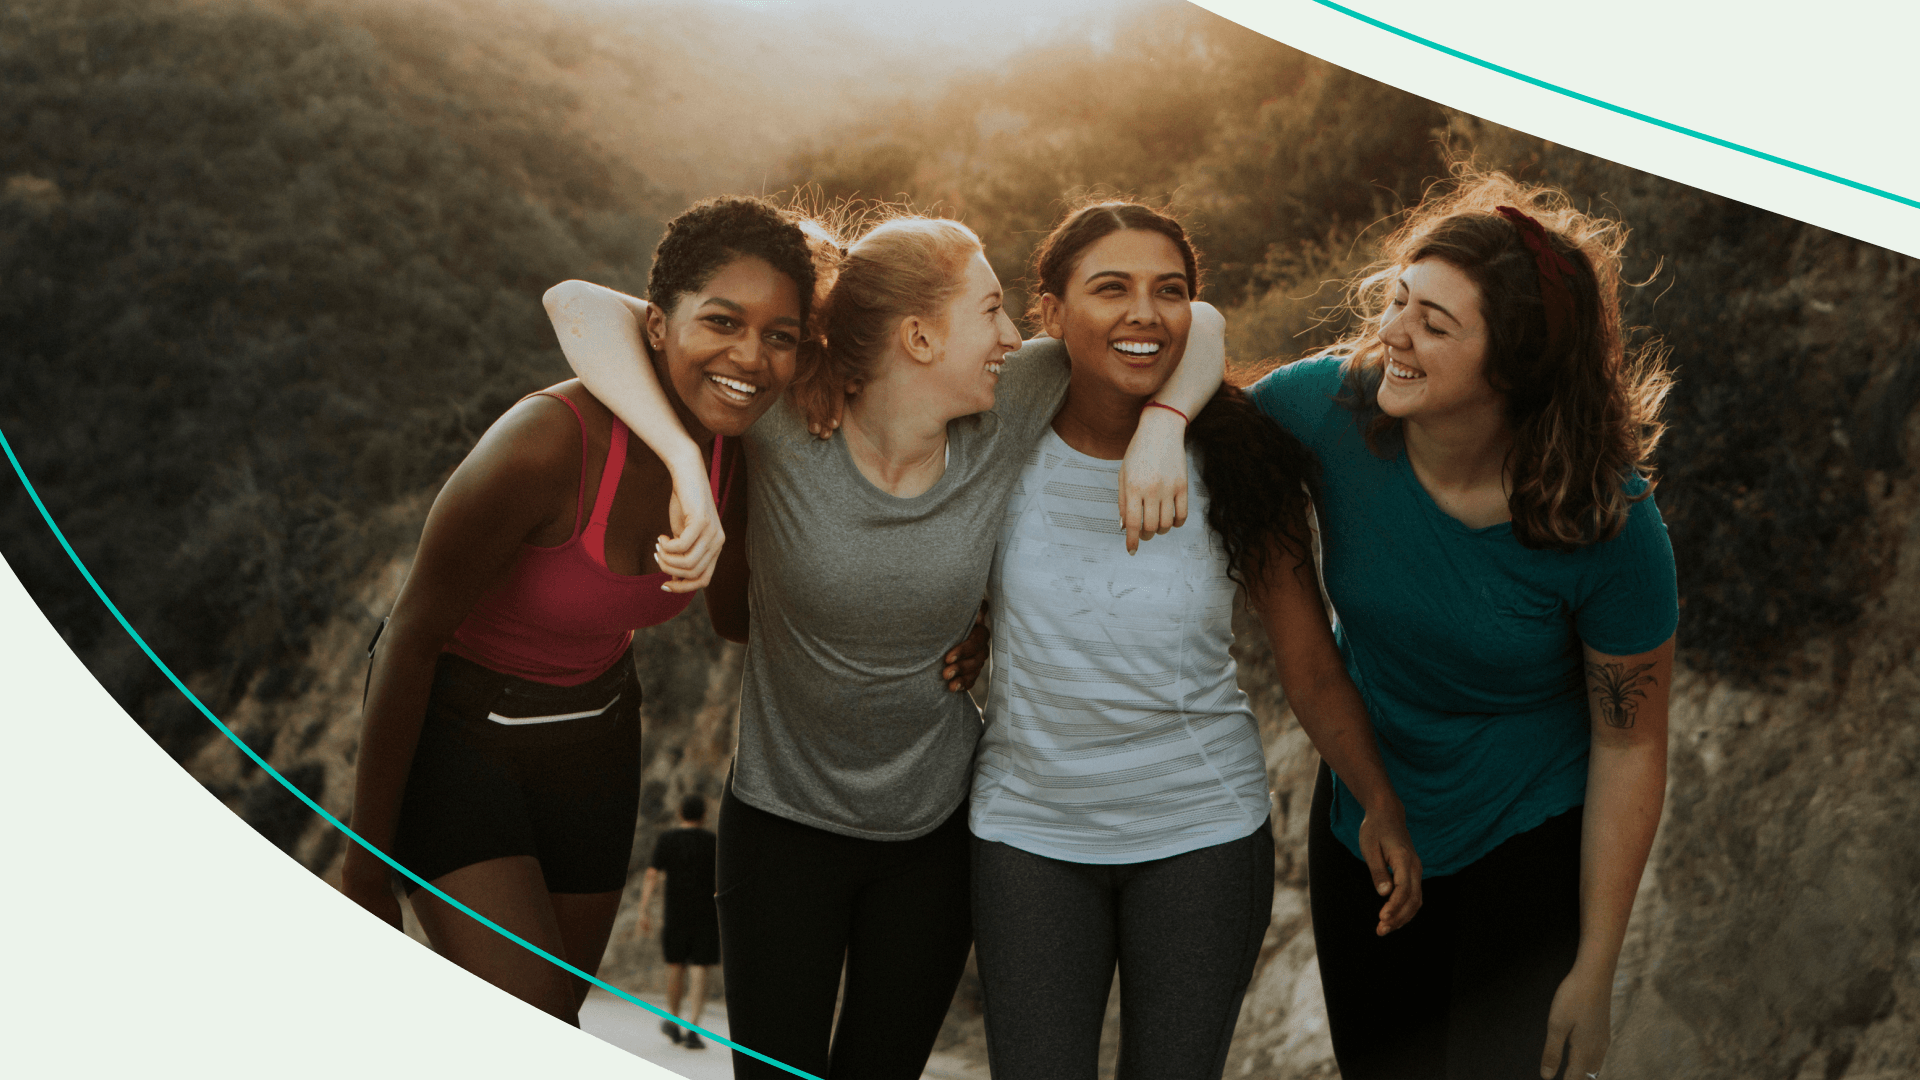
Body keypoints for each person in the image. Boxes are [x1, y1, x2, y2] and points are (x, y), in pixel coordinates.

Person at [543, 210, 1225, 1079]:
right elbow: (577, 305)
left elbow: (1196, 324)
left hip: (932, 838)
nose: (1012, 337)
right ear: (917, 335)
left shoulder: (1008, 405)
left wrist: (1163, 423)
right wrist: (686, 460)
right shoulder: (786, 415)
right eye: (989, 312)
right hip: (782, 826)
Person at [340, 195, 831, 1024]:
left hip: (597, 742)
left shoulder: (736, 453)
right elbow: (408, 639)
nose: (750, 355)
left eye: (779, 336)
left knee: (558, 1019)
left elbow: (735, 619)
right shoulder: (544, 444)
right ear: (655, 325)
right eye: (721, 322)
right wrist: (364, 866)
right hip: (460, 739)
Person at [966, 201, 1422, 1080]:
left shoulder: (1240, 456)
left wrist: (1378, 799)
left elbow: (1309, 660)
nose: (1145, 313)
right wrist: (964, 632)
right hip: (1026, 833)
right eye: (1111, 289)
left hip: (1201, 833)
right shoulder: (998, 429)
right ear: (1051, 314)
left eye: (1168, 292)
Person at [1245, 171, 1677, 1080]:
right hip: (1367, 824)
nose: (1391, 334)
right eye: (1398, 300)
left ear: (1513, 364)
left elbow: (1631, 745)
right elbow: (1189, 367)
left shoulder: (1608, 520)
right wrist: (1169, 426)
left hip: (1529, 836)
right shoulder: (1327, 408)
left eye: (1434, 324)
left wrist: (1596, 969)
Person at [637, 793, 721, 1050]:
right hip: (707, 914)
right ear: (704, 815)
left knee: (675, 965)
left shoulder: (668, 839)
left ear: (680, 813)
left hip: (676, 913)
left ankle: (673, 1020)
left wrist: (644, 909)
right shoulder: (713, 842)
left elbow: (652, 875)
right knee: (700, 968)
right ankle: (693, 1028)